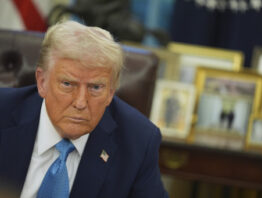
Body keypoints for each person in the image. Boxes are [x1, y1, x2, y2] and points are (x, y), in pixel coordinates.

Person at [0, 21, 168, 198]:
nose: (80, 103)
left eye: (95, 88)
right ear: (42, 82)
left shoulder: (138, 142)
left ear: (111, 92)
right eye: (67, 84)